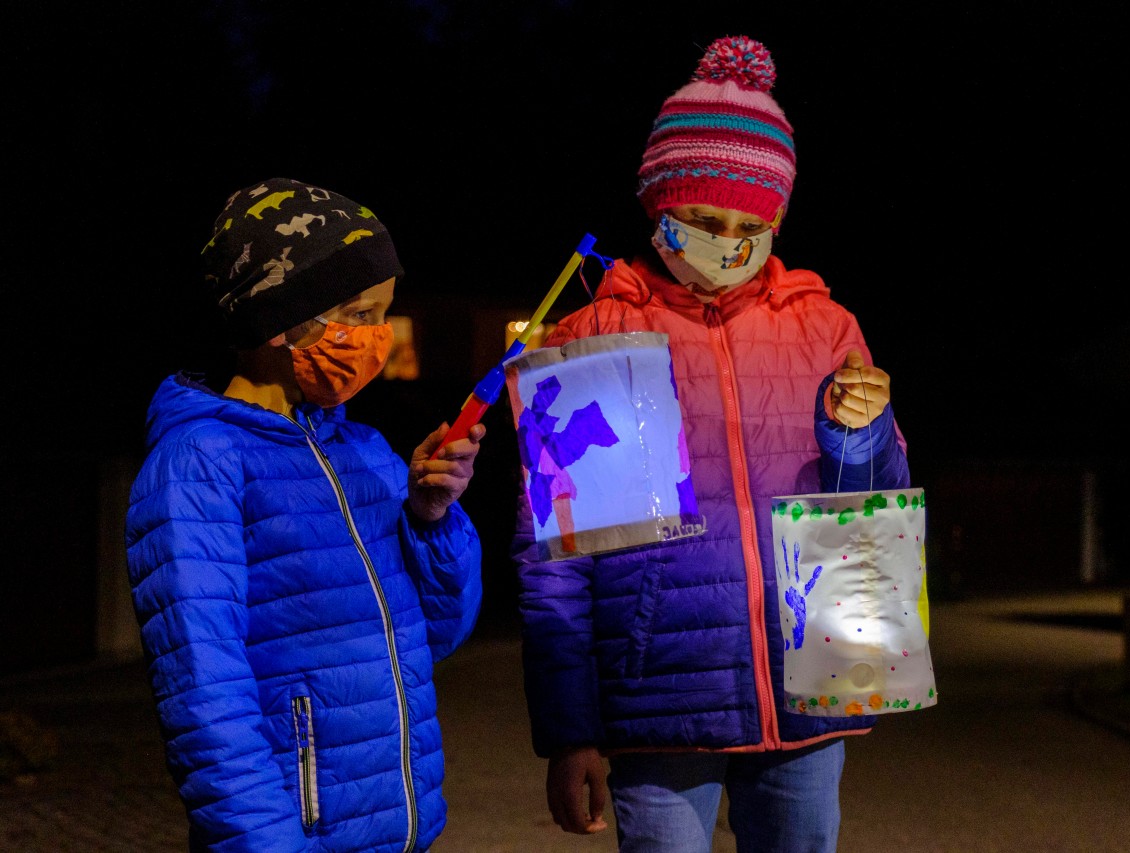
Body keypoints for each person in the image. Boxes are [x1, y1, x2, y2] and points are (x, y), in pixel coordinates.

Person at [511, 35, 911, 851]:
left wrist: (857, 437)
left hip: (808, 691)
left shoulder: (824, 325)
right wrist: (569, 732)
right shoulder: (603, 334)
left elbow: (872, 506)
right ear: (659, 205)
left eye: (749, 224)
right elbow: (559, 562)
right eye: (701, 219)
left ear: (777, 219)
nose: (727, 242)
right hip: (656, 702)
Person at [124, 177, 485, 852]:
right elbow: (203, 691)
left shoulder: (367, 452)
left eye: (385, 313)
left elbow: (436, 633)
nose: (376, 337)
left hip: (400, 831)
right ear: (279, 315)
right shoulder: (201, 461)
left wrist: (433, 519)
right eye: (358, 311)